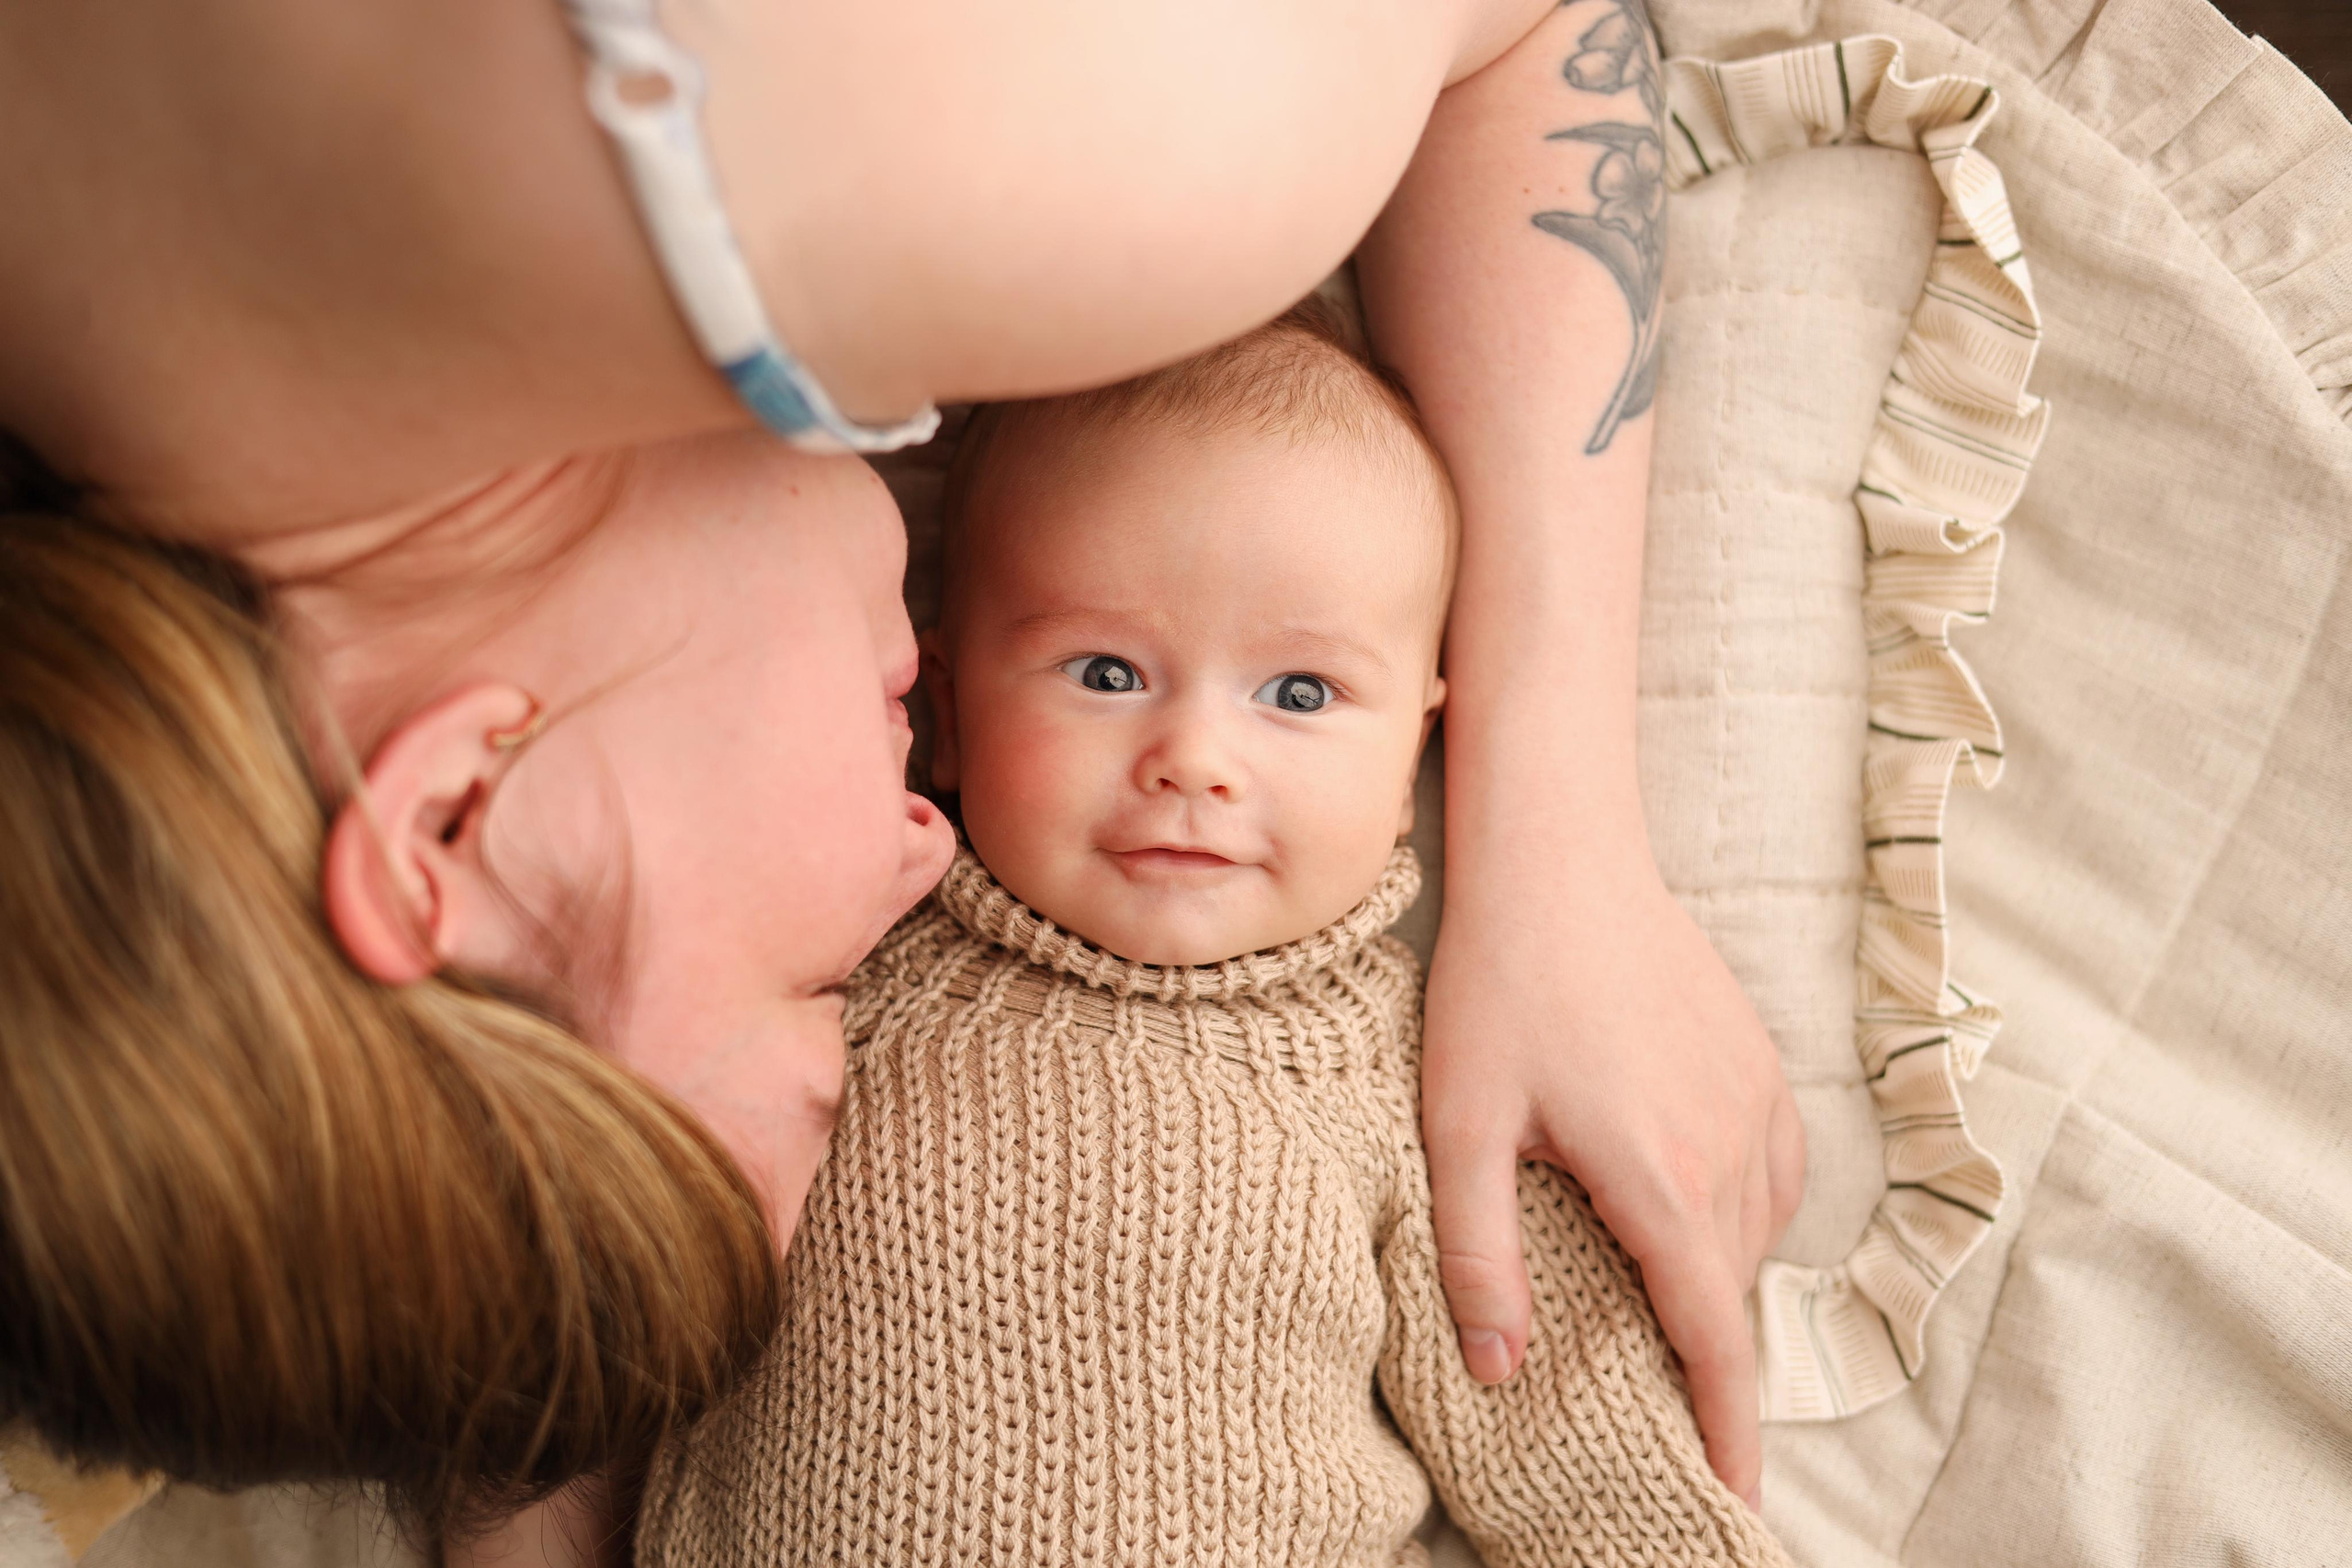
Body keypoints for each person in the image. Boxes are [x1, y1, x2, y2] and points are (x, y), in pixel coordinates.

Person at [0, 0, 1799, 1544]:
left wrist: (1557, 838)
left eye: (807, 989)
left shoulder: (1002, 167)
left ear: (455, 815)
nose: (920, 853)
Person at [639, 305, 1796, 1567]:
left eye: (1298, 694)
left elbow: (1573, 1445)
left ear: (1414, 751)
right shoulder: (845, 961)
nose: (1194, 758)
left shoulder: (1423, 1077)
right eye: (1106, 673)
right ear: (949, 713)